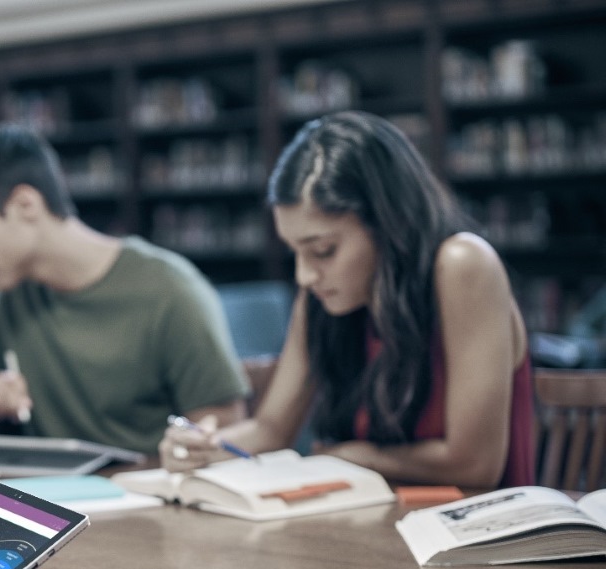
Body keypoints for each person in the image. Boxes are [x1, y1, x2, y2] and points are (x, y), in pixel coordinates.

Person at [160, 110, 534, 488]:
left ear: (388, 224)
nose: (304, 276)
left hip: (478, 535)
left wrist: (347, 455)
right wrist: (204, 447)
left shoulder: (462, 264)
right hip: (378, 528)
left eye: (323, 250)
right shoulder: (323, 293)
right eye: (295, 252)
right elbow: (272, 429)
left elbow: (474, 465)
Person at [0, 122, 249, 454]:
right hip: (50, 497)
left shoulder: (170, 289)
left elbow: (224, 429)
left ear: (25, 205)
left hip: (150, 493)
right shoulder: (10, 298)